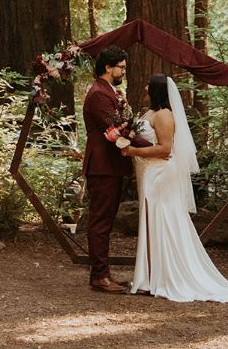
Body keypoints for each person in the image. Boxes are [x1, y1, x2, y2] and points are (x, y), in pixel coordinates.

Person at [121, 74, 228, 303]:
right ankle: (149, 275)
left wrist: (132, 151)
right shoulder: (148, 113)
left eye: (147, 87)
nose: (144, 90)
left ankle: (161, 277)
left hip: (160, 174)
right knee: (151, 220)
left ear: (156, 91)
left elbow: (165, 150)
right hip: (148, 173)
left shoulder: (165, 115)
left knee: (162, 220)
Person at [81, 45, 146, 294]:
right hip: (102, 166)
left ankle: (102, 272)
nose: (124, 72)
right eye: (121, 67)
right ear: (108, 67)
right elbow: (116, 129)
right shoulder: (98, 93)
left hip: (112, 166)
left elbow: (122, 126)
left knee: (105, 221)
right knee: (100, 222)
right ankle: (99, 276)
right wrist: (153, 147)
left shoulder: (111, 92)